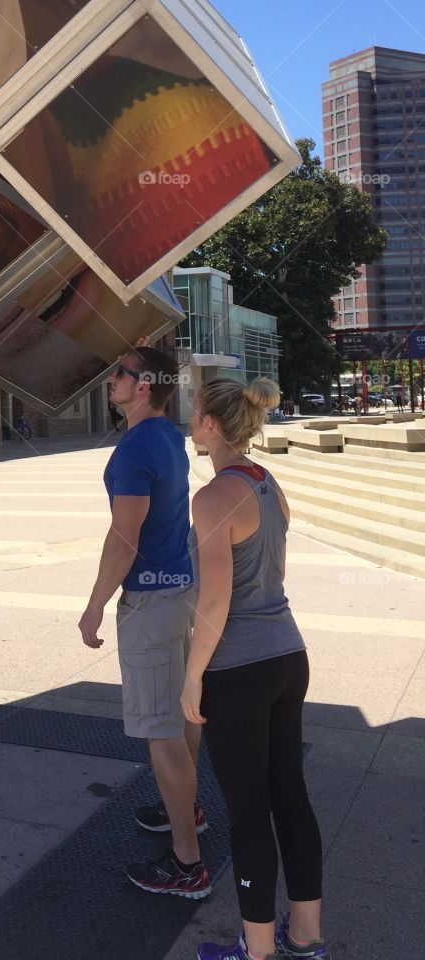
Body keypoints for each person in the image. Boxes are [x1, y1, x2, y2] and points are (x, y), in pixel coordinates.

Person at [184, 378, 327, 960]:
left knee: (247, 809)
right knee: (289, 793)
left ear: (212, 425)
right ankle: (307, 936)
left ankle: (259, 949)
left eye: (193, 415)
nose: (189, 423)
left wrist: (193, 674)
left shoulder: (213, 498)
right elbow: (276, 575)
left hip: (239, 668)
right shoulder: (271, 486)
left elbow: (215, 603)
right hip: (288, 655)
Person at [79, 346, 209, 899]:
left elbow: (124, 537)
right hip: (181, 594)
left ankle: (187, 864)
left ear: (145, 387)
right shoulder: (168, 438)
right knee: (183, 714)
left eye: (122, 374)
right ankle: (188, 809)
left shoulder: (133, 450)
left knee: (160, 732)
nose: (112, 379)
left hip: (150, 606)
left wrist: (93, 606)